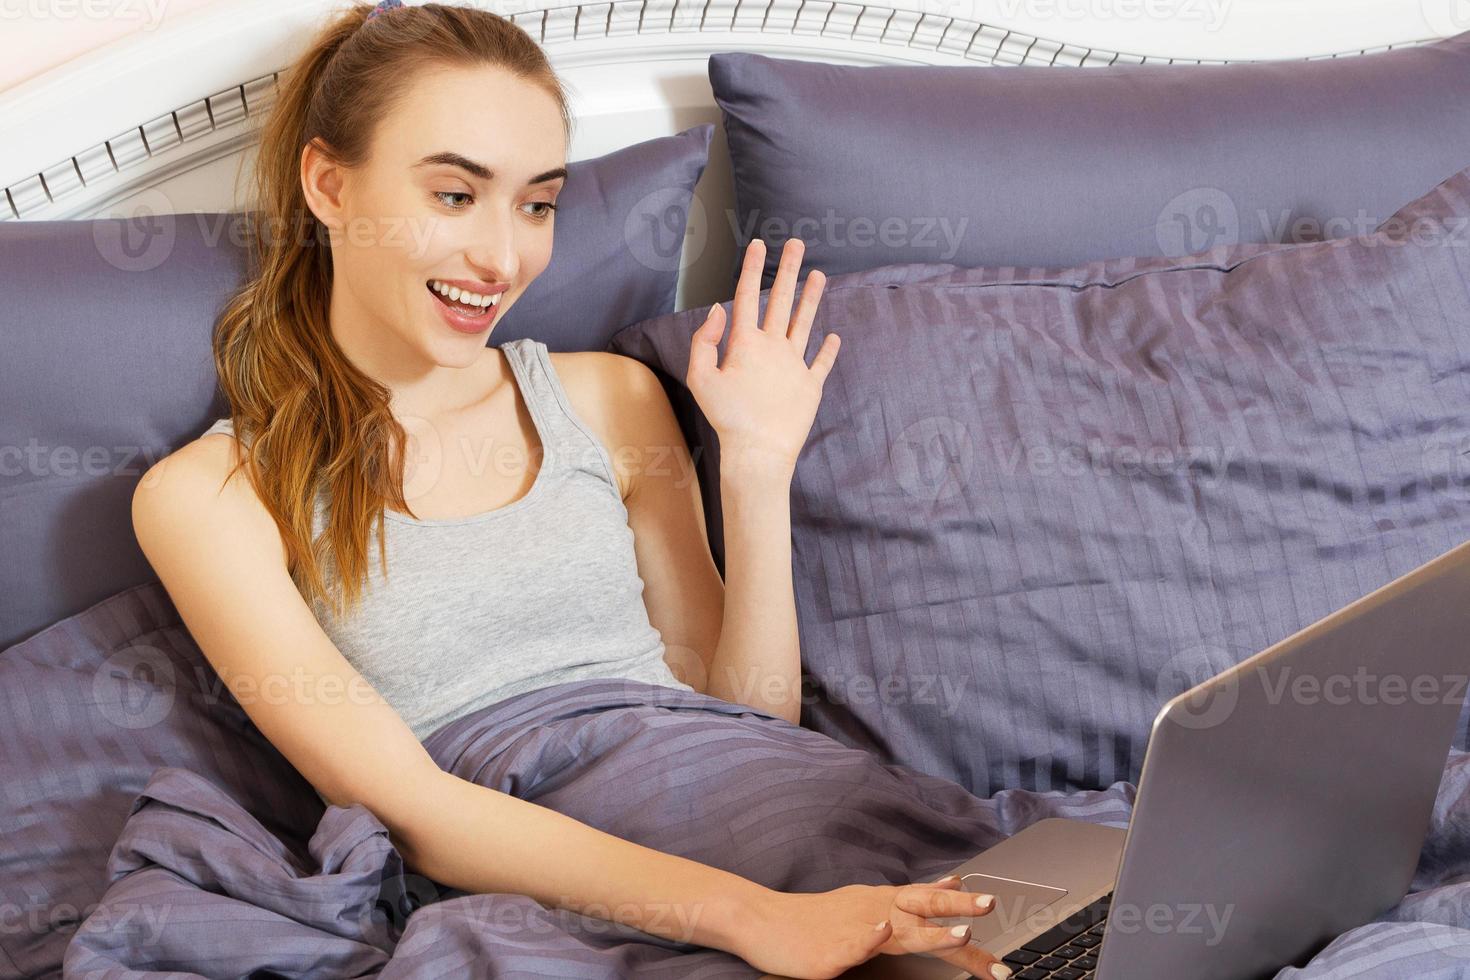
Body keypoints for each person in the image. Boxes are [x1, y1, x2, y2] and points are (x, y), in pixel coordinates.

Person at [131, 2, 1013, 977]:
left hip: (795, 820)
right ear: (329, 183)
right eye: (455, 196)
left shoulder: (605, 396)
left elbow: (747, 727)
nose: (502, 257)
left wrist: (756, 473)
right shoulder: (212, 492)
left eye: (536, 203)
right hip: (601, 895)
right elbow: (412, 809)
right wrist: (752, 916)